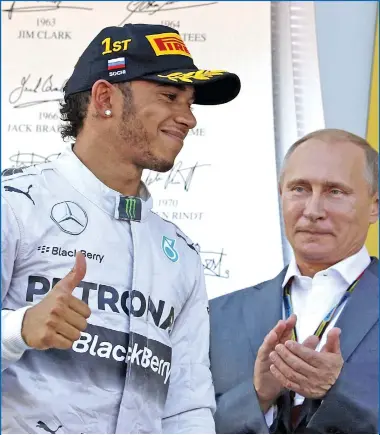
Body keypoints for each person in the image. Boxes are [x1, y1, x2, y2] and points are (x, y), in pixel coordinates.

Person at [1, 23, 241, 434]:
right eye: (169, 97)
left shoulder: (179, 252)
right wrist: (19, 328)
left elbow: (187, 407)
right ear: (104, 97)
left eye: (190, 102)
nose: (188, 118)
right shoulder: (15, 205)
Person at [209, 129, 378, 433]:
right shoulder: (217, 316)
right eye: (299, 189)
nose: (313, 211)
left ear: (375, 205)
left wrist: (339, 391)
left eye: (335, 192)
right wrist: (258, 395)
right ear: (281, 195)